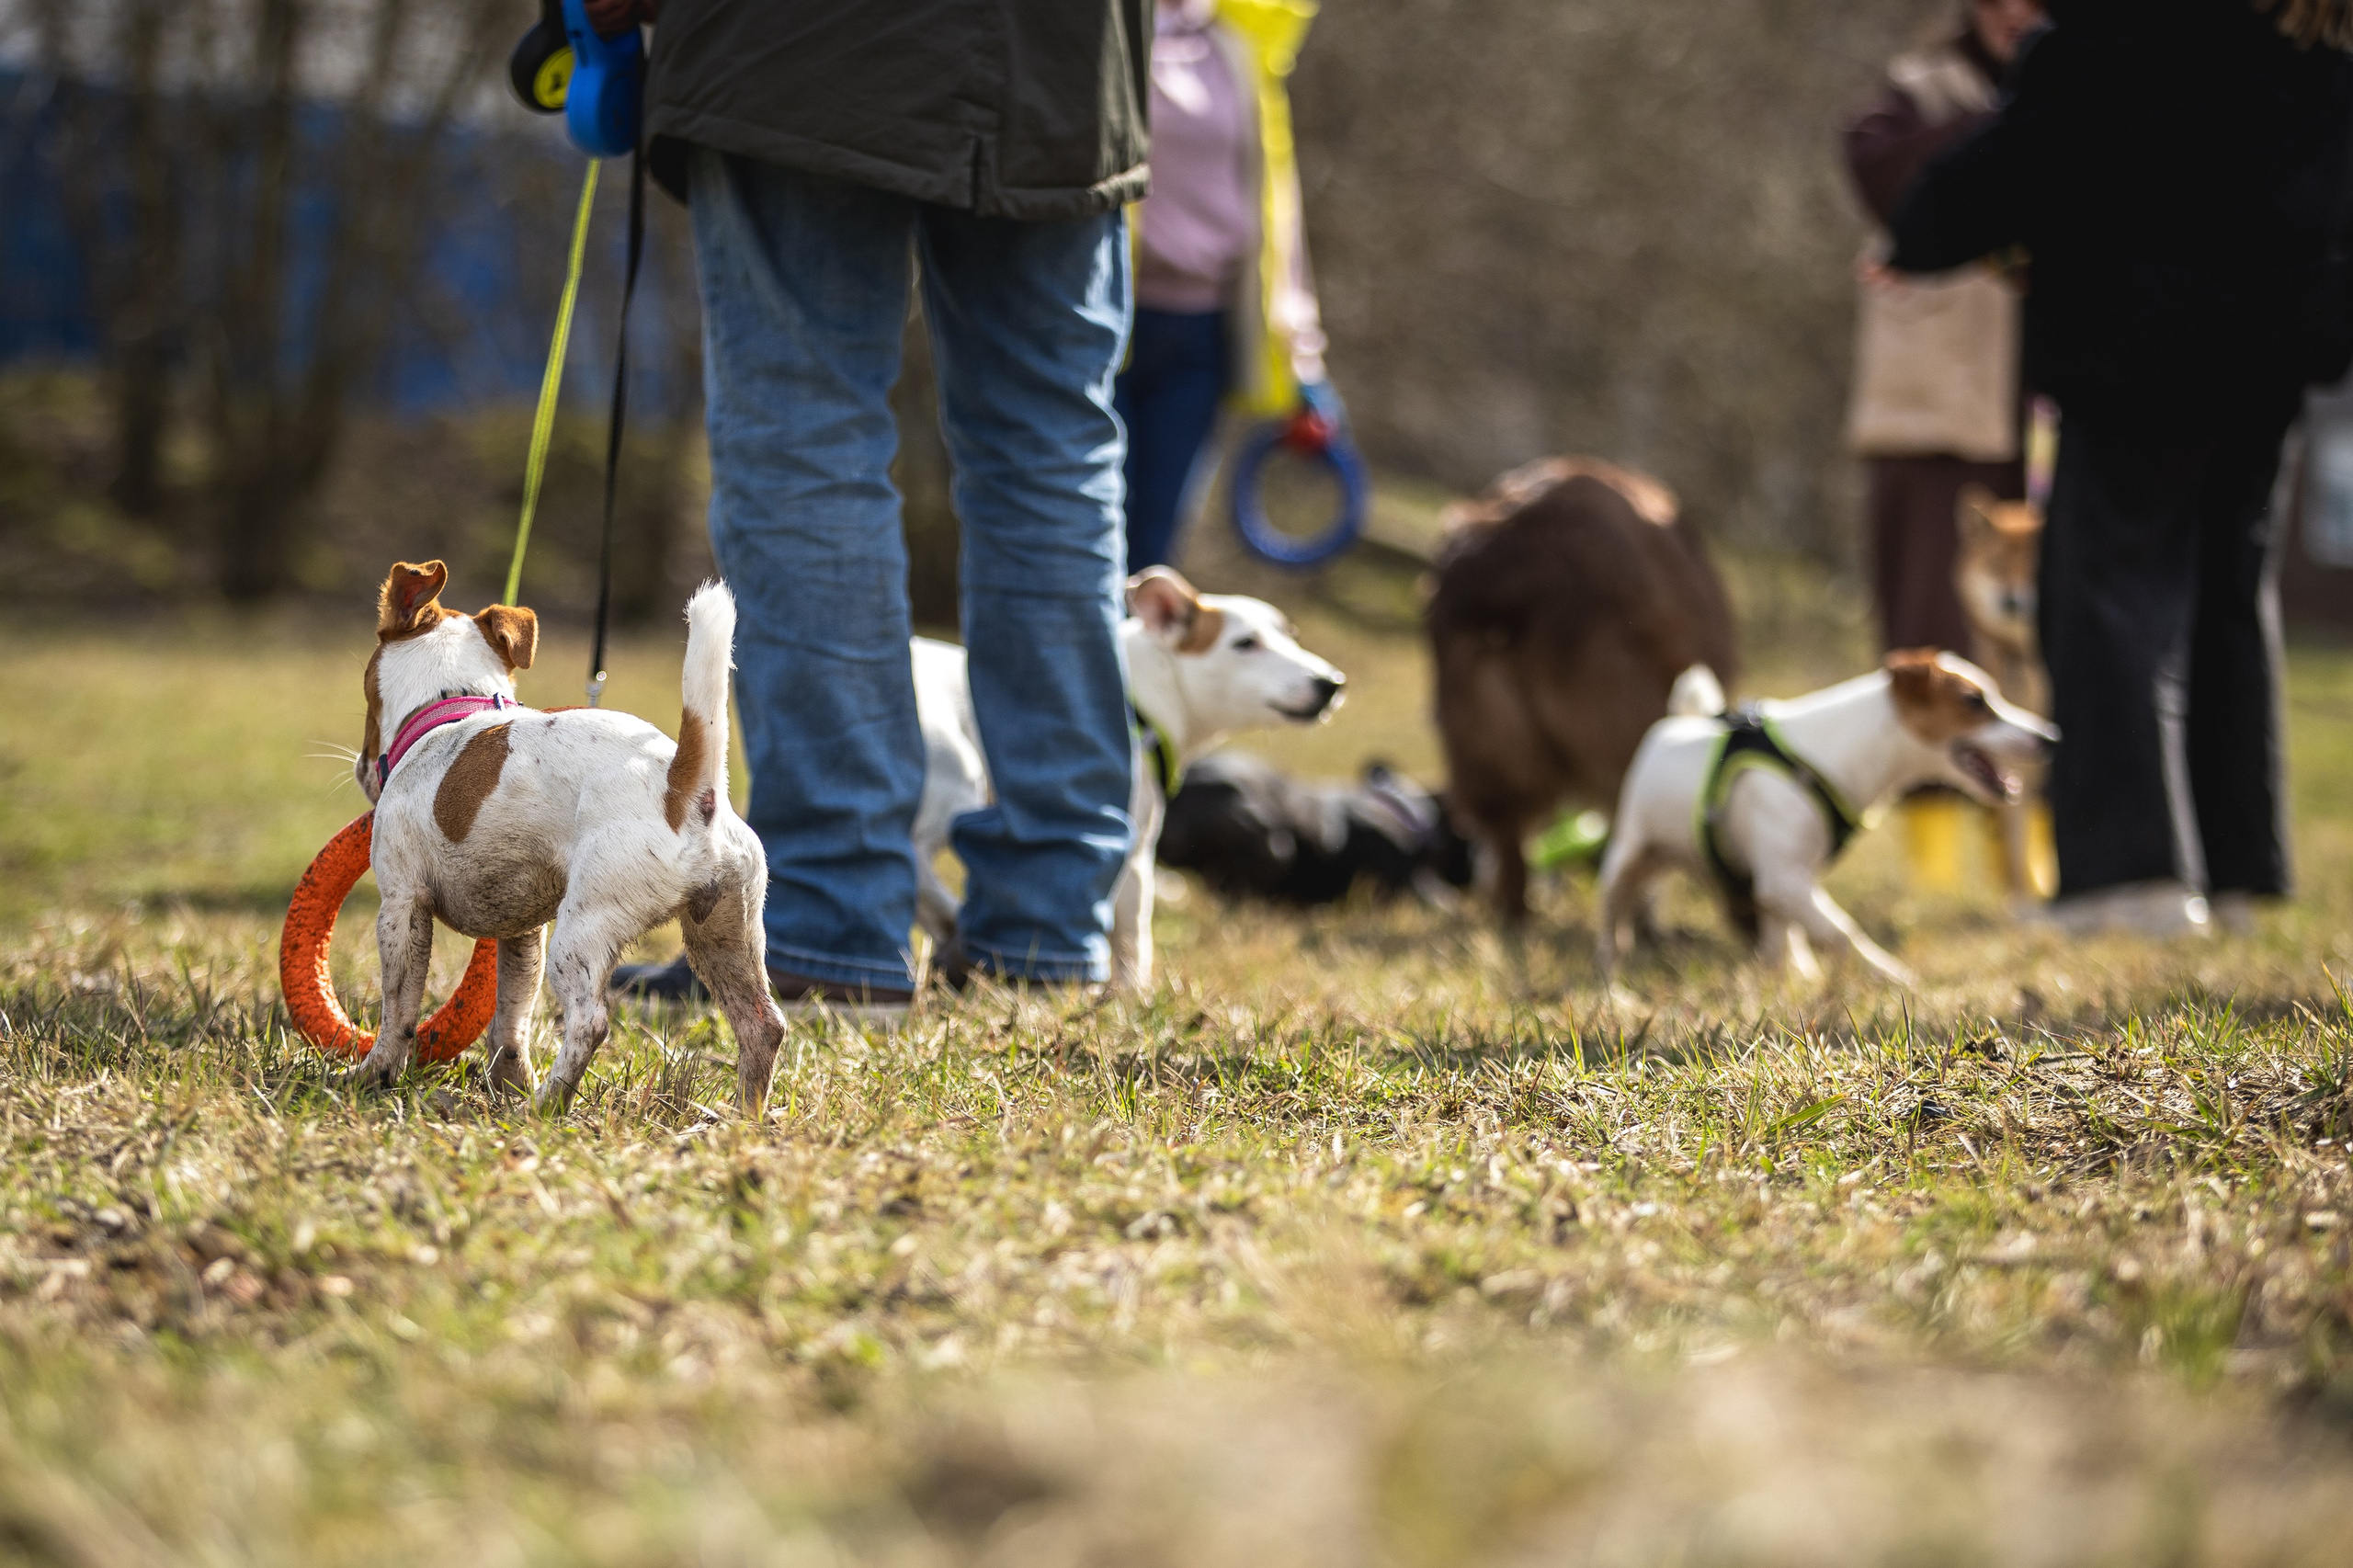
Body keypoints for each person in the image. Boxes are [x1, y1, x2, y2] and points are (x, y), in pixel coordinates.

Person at [600, 0, 1152, 1010]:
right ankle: (1048, 924)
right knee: (1048, 453)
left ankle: (828, 922)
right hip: (1062, 55)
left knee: (802, 434)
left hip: (797, 48)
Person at [1887, 0, 2353, 935]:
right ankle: (2235, 871)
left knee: (2102, 590)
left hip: (2137, 349)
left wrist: (1917, 235)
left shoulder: (2119, 33)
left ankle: (2125, 877)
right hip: (2273, 346)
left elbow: (2020, 162)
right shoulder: (2310, 36)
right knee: (2226, 594)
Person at [1842, 0, 2042, 660]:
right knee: (1933, 628)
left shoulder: (2095, 77)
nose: (2014, 12)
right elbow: (1880, 174)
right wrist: (2006, 124)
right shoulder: (1922, 89)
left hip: (2046, 407)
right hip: (1937, 411)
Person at [1116, 0, 1328, 572]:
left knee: (1154, 542)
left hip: (1204, 335)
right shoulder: (1109, 30)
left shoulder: (1238, 45)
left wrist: (1303, 358)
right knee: (1090, 521)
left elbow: (1276, 212)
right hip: (1111, 317)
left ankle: (1139, 661)